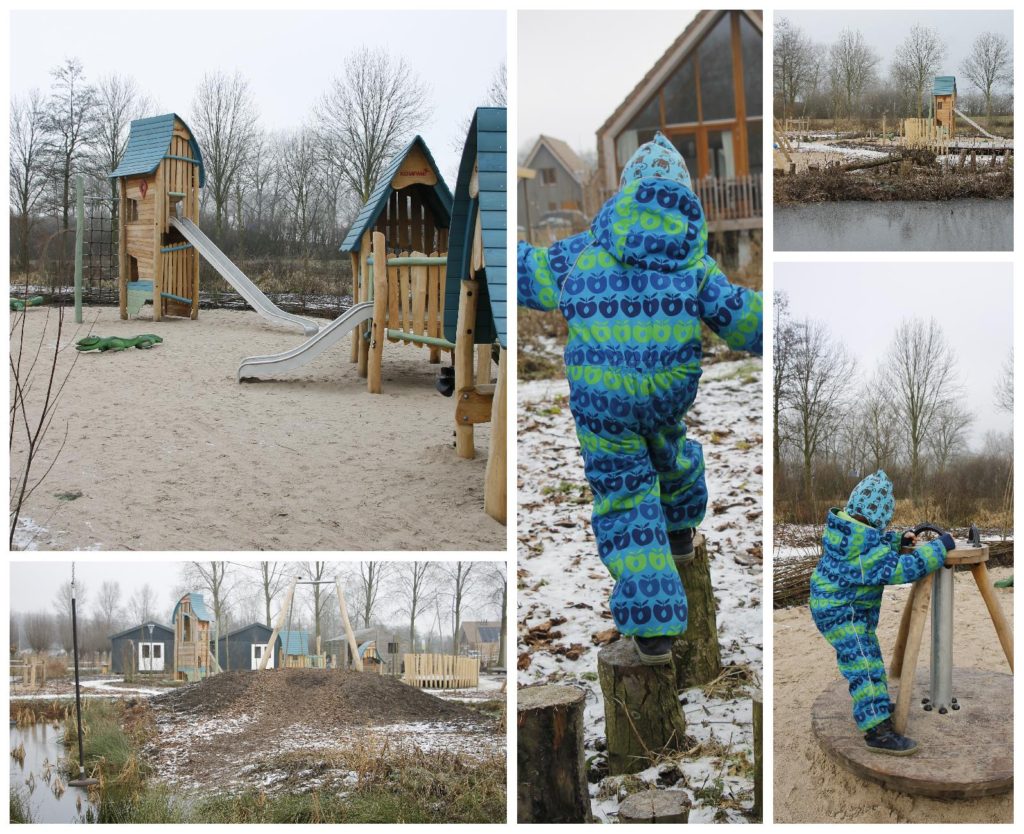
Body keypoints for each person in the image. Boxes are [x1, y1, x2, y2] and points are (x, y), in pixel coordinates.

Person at [518, 133, 762, 665]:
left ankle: (653, 627)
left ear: (627, 191)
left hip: (604, 404)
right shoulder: (691, 259)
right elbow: (741, 317)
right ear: (681, 191)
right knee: (670, 446)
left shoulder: (584, 250)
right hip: (666, 392)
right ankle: (680, 525)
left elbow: (531, 275)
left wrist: (497, 253)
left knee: (626, 499)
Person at [810, 469, 955, 755]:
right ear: (881, 516)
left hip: (836, 605)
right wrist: (939, 547)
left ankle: (873, 706)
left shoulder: (847, 533)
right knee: (864, 665)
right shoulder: (867, 556)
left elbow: (874, 544)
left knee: (869, 657)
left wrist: (898, 540)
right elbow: (905, 568)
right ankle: (876, 730)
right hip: (842, 613)